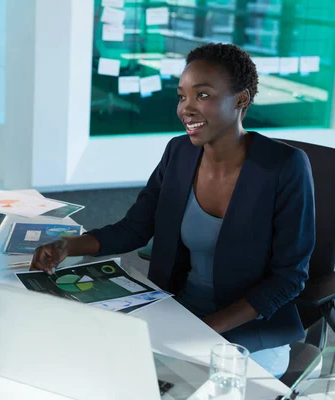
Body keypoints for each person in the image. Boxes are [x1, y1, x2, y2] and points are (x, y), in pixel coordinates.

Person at [31, 43, 315, 378]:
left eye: (203, 95)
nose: (186, 109)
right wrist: (68, 245)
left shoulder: (284, 167)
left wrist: (204, 330)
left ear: (241, 100)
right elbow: (135, 227)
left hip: (250, 333)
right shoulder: (179, 153)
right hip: (178, 311)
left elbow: (288, 278)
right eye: (182, 97)